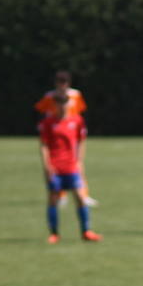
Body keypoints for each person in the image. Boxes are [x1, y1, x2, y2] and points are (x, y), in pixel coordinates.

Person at [37, 94, 101, 244]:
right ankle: (54, 233)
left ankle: (86, 231)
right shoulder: (48, 123)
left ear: (69, 104)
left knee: (80, 198)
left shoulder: (77, 121)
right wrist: (47, 166)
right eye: (58, 104)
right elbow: (44, 145)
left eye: (64, 103)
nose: (62, 106)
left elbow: (81, 141)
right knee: (53, 199)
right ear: (54, 105)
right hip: (55, 168)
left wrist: (79, 161)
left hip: (71, 166)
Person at [34, 71, 97, 207]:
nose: (62, 85)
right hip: (55, 131)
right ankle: (60, 194)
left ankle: (83, 194)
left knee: (77, 163)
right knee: (55, 164)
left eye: (65, 82)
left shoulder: (75, 95)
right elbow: (42, 112)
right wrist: (43, 127)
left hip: (71, 131)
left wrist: (80, 127)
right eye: (60, 82)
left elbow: (80, 111)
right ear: (56, 82)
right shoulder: (49, 96)